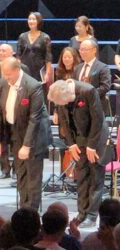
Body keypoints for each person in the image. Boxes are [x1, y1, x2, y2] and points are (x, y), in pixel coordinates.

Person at [0, 57, 51, 210]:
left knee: (32, 177)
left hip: (33, 137)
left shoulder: (33, 86)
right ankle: (24, 208)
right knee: (21, 174)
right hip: (15, 133)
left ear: (18, 70)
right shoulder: (3, 83)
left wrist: (27, 145)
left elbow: (34, 119)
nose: (6, 77)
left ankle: (31, 212)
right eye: (4, 74)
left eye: (8, 74)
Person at [48, 79, 109, 227]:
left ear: (69, 93)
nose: (61, 106)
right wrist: (71, 144)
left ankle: (92, 216)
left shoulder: (88, 91)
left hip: (96, 137)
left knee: (95, 176)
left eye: (62, 103)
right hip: (79, 140)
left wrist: (92, 146)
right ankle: (82, 213)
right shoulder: (60, 94)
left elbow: (98, 119)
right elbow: (64, 121)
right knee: (81, 176)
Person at [0, 44, 29, 179]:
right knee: (1, 139)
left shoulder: (22, 69)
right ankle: (5, 169)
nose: (1, 52)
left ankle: (17, 169)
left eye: (4, 50)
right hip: (0, 111)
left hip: (18, 112)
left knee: (17, 141)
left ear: (12, 53)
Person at [73, 39, 111, 115]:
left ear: (94, 50)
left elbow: (105, 87)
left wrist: (90, 95)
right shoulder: (77, 68)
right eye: (81, 50)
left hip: (96, 107)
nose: (82, 52)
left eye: (85, 49)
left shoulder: (102, 67)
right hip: (79, 108)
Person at [17, 12, 52, 83]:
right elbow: (18, 55)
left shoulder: (45, 37)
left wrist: (47, 73)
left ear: (39, 21)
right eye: (29, 19)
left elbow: (48, 57)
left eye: (33, 19)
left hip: (38, 70)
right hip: (24, 69)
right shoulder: (22, 36)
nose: (31, 21)